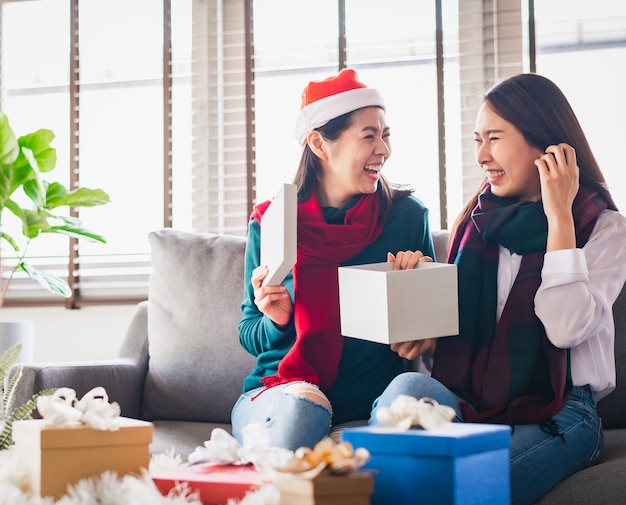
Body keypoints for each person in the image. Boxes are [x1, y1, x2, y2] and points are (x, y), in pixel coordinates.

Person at [369, 72, 626, 505]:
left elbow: (564, 329)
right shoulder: (476, 222)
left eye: (495, 138)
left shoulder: (603, 228)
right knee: (403, 394)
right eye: (477, 140)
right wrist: (428, 339)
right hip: (471, 400)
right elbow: (464, 348)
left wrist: (559, 218)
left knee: (462, 486)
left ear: (546, 144)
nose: (482, 156)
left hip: (562, 409)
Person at [231, 68, 435, 451]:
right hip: (281, 396)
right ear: (320, 144)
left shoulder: (408, 218)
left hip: (373, 404)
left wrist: (417, 303)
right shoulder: (272, 223)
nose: (384, 150)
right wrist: (276, 321)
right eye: (369, 136)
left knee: (415, 390)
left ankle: (335, 457)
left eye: (386, 135)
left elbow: (434, 338)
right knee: (306, 407)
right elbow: (249, 334)